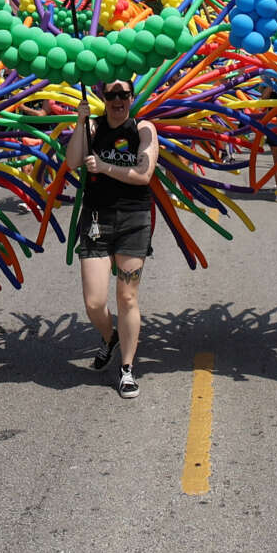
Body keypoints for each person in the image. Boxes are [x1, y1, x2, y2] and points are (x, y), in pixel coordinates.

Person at [64, 80, 159, 400]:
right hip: (95, 220)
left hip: (133, 218)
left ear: (132, 98)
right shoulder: (92, 128)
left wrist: (104, 167)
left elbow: (144, 174)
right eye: (111, 95)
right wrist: (80, 123)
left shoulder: (143, 129)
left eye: (124, 95)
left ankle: (127, 368)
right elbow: (73, 162)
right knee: (94, 302)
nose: (118, 100)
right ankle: (110, 337)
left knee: (127, 297)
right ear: (103, 98)